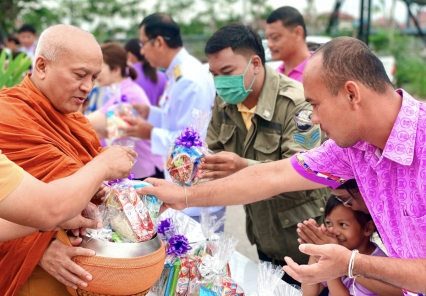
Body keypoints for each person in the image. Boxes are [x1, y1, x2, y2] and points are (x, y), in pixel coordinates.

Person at [140, 37, 426, 295]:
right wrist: (185, 196)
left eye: (315, 104)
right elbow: (273, 175)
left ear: (352, 94)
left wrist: (352, 264)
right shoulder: (353, 148)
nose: (312, 118)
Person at [0, 24, 132, 296]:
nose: (87, 87)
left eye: (94, 77)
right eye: (79, 75)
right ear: (41, 66)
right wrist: (41, 249)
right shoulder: (7, 115)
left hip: (82, 271)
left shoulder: (76, 121)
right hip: (30, 275)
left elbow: (84, 193)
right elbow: (41, 207)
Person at [198, 23, 329, 285]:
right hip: (263, 236)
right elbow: (213, 148)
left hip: (306, 242)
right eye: (214, 74)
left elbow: (306, 176)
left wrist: (243, 166)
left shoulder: (297, 104)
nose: (221, 82)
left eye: (227, 72)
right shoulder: (225, 103)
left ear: (255, 63)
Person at [122, 13, 223, 221]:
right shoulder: (178, 72)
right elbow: (175, 120)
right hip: (182, 184)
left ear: (158, 42)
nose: (141, 51)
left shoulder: (188, 78)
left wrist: (149, 132)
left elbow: (191, 142)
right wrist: (150, 113)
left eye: (143, 43)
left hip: (193, 188)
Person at [0, 147, 136, 242]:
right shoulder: (14, 119)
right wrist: (105, 164)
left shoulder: (78, 121)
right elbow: (50, 207)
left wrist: (63, 214)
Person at [302, 181, 403, 296]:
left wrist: (332, 270)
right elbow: (309, 293)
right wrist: (316, 251)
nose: (333, 231)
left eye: (343, 224)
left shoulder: (379, 265)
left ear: (367, 228)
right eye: (329, 223)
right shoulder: (341, 251)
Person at [87, 42, 163, 179]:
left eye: (99, 68)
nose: (95, 73)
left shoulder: (128, 95)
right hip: (138, 169)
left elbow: (94, 125)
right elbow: (104, 130)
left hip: (146, 171)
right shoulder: (117, 91)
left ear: (115, 70)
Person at [265, 6, 312, 83]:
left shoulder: (319, 75)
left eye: (275, 37)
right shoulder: (274, 75)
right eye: (267, 38)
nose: (269, 44)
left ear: (298, 33)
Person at [124, 38, 167, 106]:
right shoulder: (161, 76)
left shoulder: (126, 73)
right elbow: (161, 105)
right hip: (152, 115)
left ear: (130, 56)